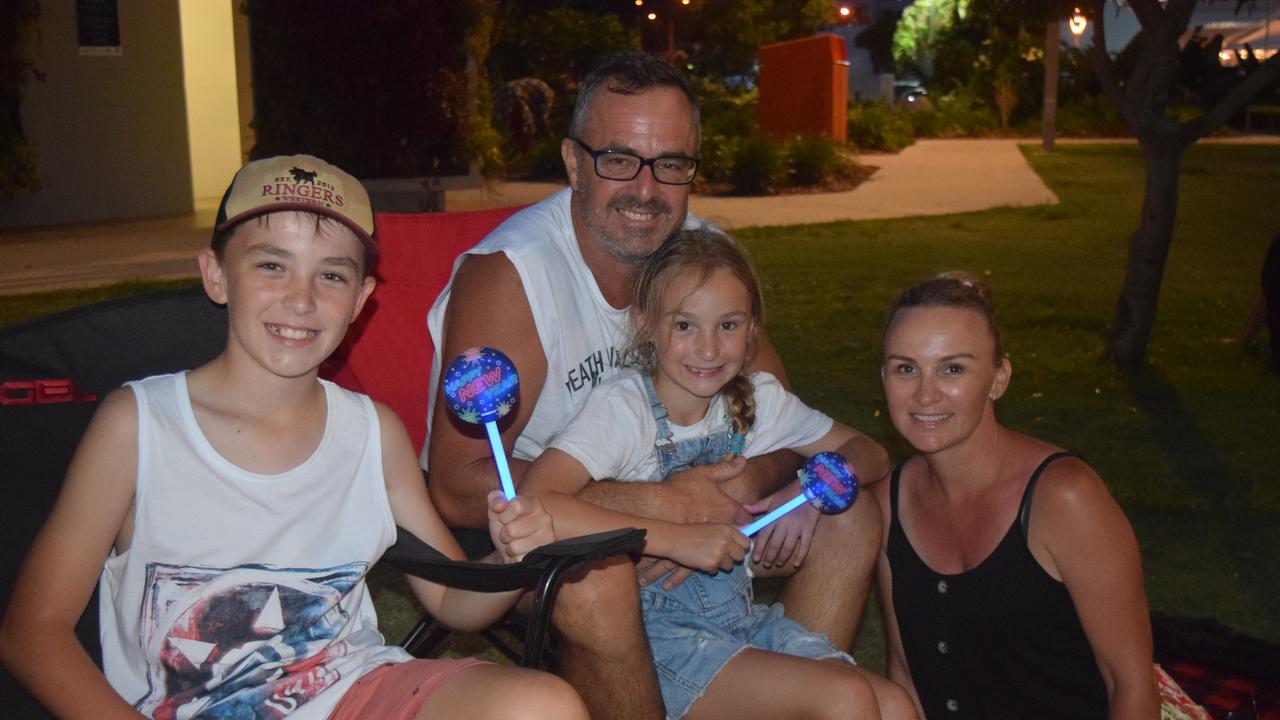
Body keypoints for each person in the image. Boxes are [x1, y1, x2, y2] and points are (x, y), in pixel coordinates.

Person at [0, 155, 587, 720]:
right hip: (195, 706)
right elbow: (33, 634)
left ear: (361, 299)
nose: (301, 299)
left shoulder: (371, 433)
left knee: (544, 706)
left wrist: (514, 556)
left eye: (331, 274)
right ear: (215, 274)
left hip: (352, 692)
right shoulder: (139, 426)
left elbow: (453, 602)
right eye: (272, 265)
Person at [423, 50, 885, 719]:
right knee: (597, 577)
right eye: (619, 158)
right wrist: (659, 508)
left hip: (706, 522)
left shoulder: (696, 258)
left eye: (670, 163)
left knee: (853, 513)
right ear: (575, 162)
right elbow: (460, 484)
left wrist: (753, 482)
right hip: (532, 537)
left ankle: (782, 693)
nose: (647, 189)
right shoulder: (514, 276)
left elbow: (773, 413)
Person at [521, 228, 913, 720]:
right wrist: (673, 538)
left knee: (894, 704)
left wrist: (807, 489)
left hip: (740, 625)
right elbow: (537, 502)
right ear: (645, 324)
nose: (708, 349)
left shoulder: (757, 400)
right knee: (845, 698)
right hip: (662, 642)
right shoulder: (623, 409)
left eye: (728, 325)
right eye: (685, 326)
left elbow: (870, 452)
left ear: (752, 331)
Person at [873, 273, 1159, 719]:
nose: (925, 394)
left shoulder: (1064, 498)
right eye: (906, 368)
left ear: (998, 378)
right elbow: (907, 674)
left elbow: (1131, 684)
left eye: (953, 368)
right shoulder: (891, 504)